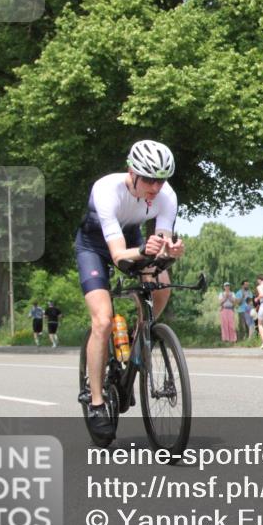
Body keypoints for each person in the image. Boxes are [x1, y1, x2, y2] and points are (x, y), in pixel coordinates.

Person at [75, 139, 185, 442]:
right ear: (132, 172)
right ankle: (97, 401)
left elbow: (160, 245)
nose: (155, 187)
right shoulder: (106, 190)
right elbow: (118, 255)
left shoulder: (167, 195)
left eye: (161, 180)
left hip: (133, 240)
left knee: (161, 285)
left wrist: (170, 251)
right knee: (103, 321)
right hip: (95, 247)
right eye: (149, 179)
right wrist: (144, 250)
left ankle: (140, 336)